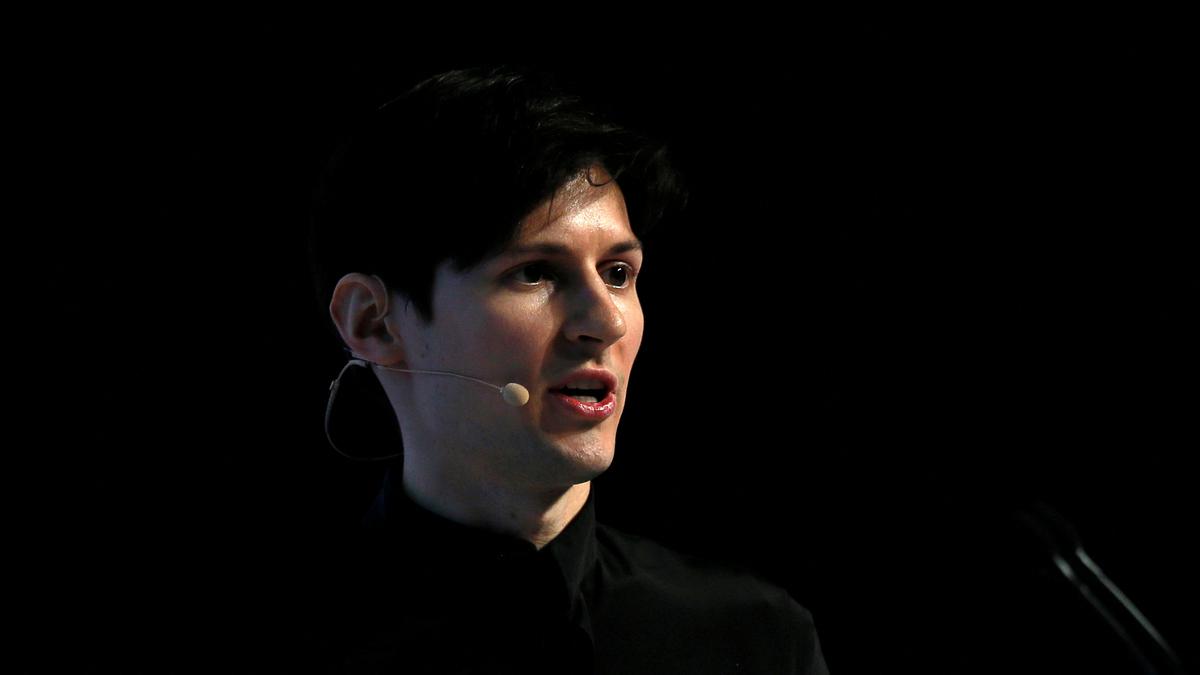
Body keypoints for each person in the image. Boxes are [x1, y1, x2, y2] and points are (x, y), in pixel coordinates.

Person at [305, 63, 830, 674]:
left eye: (618, 273)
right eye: (535, 272)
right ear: (373, 322)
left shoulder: (754, 639)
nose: (606, 321)